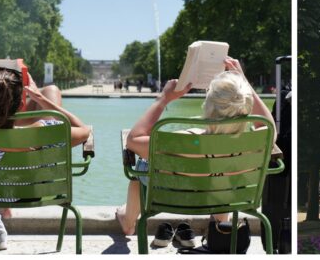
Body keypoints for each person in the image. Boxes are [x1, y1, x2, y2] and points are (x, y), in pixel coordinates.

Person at [116, 57, 276, 236]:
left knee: (140, 169)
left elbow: (133, 139)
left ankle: (128, 222)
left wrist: (163, 99)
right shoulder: (255, 142)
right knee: (222, 175)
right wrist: (243, 81)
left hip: (174, 198)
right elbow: (269, 125)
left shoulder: (184, 141)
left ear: (208, 106)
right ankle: (220, 226)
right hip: (221, 196)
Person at [0, 66, 91, 251]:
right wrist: (41, 98)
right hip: (39, 190)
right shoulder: (44, 130)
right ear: (22, 106)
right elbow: (84, 130)